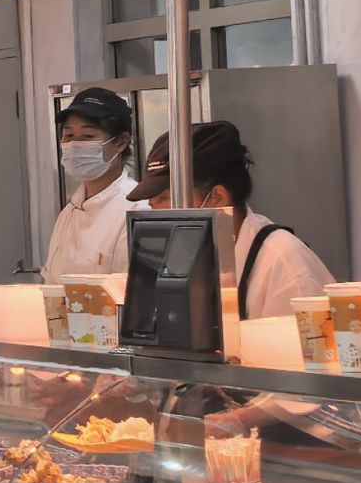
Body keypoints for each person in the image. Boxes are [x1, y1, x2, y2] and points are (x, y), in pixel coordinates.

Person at [128, 121, 335, 319]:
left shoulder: (284, 266)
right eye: (152, 204)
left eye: (166, 199)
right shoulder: (186, 258)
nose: (156, 211)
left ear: (217, 198)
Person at [43, 86, 139, 285]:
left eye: (87, 136)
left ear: (121, 142)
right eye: (68, 136)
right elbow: (52, 284)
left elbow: (131, 293)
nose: (74, 145)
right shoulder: (68, 213)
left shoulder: (136, 209)